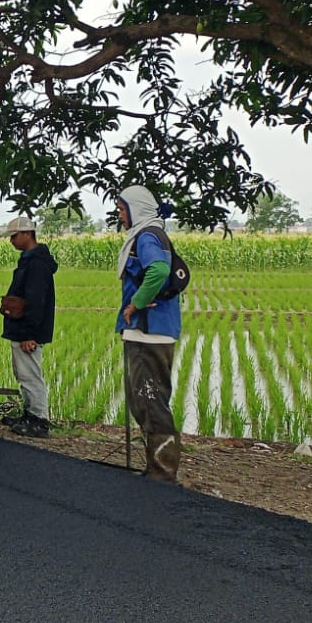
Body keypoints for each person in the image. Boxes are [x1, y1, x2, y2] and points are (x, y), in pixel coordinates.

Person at [115, 185, 183, 481]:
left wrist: (135, 304)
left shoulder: (147, 236)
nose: (120, 215)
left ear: (136, 209)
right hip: (150, 333)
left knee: (150, 400)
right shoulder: (151, 233)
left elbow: (157, 270)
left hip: (147, 333)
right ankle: (156, 468)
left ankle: (162, 474)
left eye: (122, 209)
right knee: (146, 400)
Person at [0, 216, 57, 439]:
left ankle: (39, 420)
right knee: (23, 374)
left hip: (28, 331)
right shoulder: (29, 261)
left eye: (14, 236)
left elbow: (35, 301)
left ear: (27, 234)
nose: (11, 240)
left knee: (31, 375)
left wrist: (29, 334)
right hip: (21, 329)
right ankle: (29, 414)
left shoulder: (37, 265)